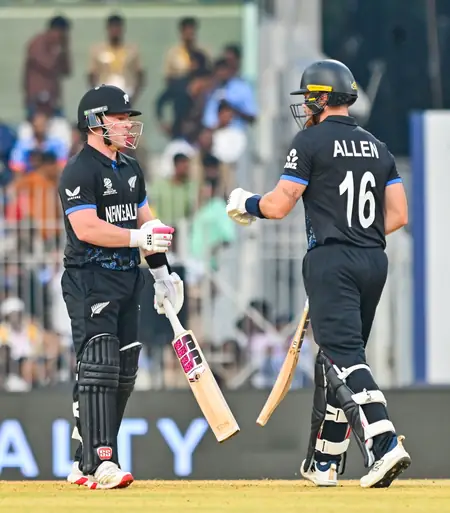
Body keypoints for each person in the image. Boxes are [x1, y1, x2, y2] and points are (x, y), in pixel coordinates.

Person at [226, 59, 410, 488]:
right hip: (373, 259)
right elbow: (399, 214)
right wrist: (359, 232)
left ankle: (384, 444)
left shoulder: (310, 141)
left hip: (333, 260)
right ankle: (324, 460)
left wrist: (245, 203)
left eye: (309, 99)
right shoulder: (377, 146)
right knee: (336, 358)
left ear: (322, 98)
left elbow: (278, 204)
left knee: (343, 357)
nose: (305, 107)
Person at [58, 84, 185, 489]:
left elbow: (148, 223)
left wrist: (163, 274)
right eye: (119, 118)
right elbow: (86, 227)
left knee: (124, 371)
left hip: (129, 278)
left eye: (128, 118)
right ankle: (101, 461)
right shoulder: (79, 170)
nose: (128, 125)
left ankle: (84, 460)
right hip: (90, 278)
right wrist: (137, 238)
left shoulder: (130, 168)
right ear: (96, 122)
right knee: (99, 364)